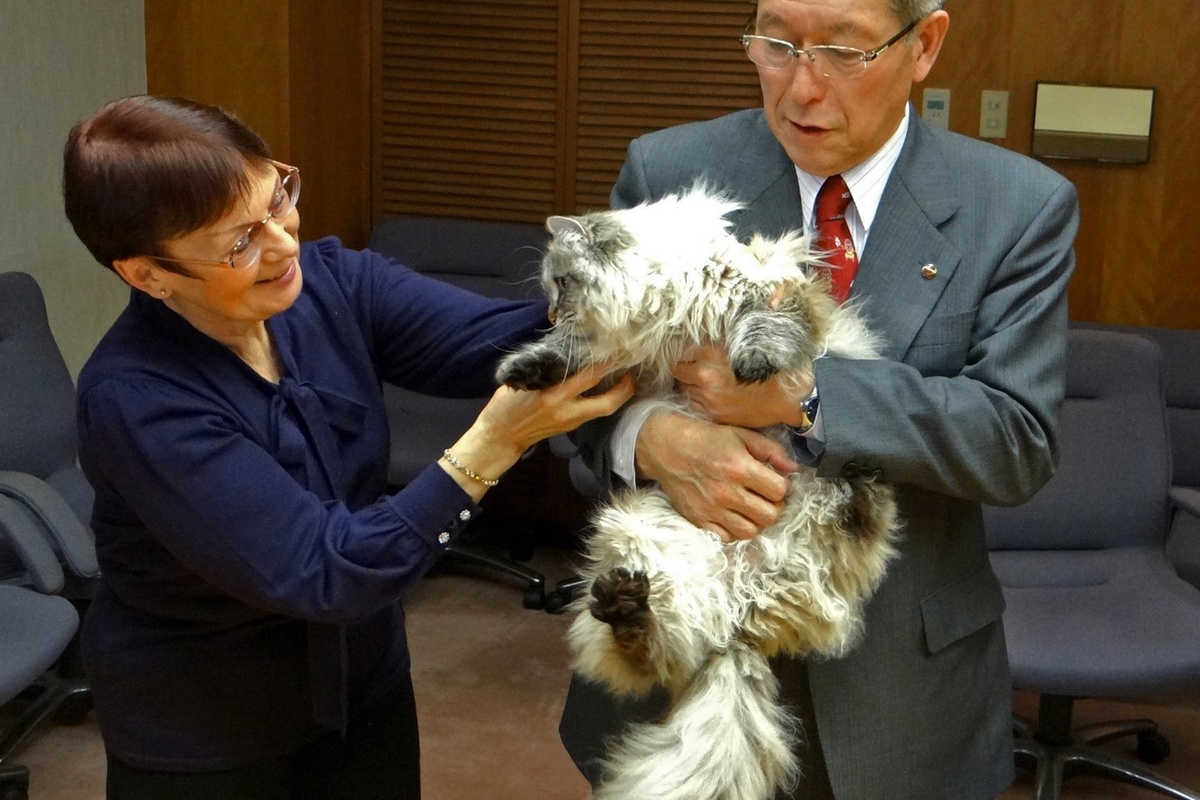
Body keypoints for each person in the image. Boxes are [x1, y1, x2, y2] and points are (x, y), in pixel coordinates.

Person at [558, 0, 1079, 798]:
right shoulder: (667, 170)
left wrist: (803, 397)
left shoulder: (1017, 207)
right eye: (777, 45)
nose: (801, 88)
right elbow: (579, 388)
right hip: (676, 660)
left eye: (843, 51)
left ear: (924, 45)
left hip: (902, 692)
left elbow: (1015, 440)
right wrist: (650, 437)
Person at [62, 94, 632, 800]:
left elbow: (498, 342)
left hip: (363, 685)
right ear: (148, 274)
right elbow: (325, 569)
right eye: (239, 241)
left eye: (279, 198)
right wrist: (495, 442)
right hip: (209, 733)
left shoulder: (330, 281)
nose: (282, 243)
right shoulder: (137, 399)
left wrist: (622, 301)